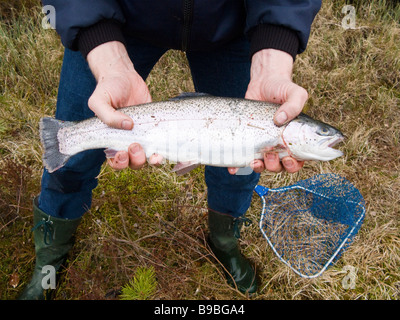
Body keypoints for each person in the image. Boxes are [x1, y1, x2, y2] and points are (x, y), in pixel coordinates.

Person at [19, 0, 321, 299]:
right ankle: (49, 257)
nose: (325, 140)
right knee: (72, 161)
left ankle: (223, 242)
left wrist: (274, 48)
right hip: (114, 17)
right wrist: (99, 38)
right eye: (320, 134)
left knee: (240, 165)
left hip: (233, 25)